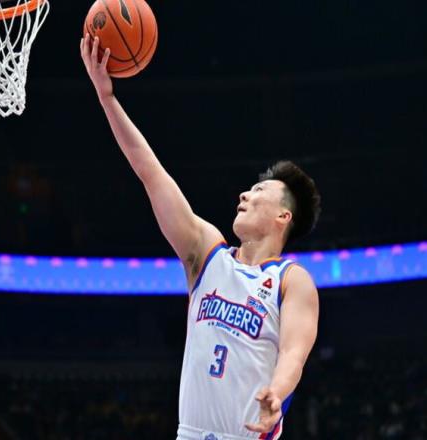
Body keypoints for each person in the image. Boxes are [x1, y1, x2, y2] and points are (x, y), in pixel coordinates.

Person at [80, 34, 321, 440]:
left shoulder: (291, 280)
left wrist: (277, 394)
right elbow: (150, 172)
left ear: (284, 215)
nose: (245, 195)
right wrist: (108, 99)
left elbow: (293, 354)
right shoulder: (207, 253)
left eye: (258, 191)